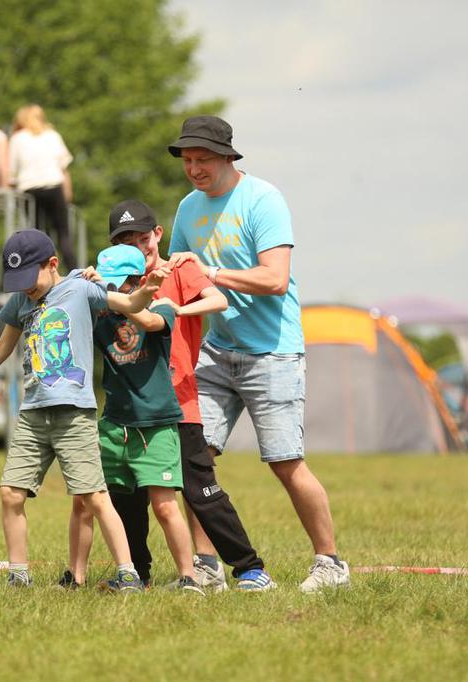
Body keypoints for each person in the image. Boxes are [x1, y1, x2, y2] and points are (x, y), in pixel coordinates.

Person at [166, 115, 349, 593]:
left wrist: (212, 272)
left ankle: (330, 564)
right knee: (194, 459)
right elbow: (180, 276)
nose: (194, 169)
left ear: (228, 156)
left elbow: (275, 279)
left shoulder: (264, 199)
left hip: (273, 353)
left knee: (285, 462)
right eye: (187, 160)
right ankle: (207, 567)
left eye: (203, 159)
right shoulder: (187, 208)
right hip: (215, 351)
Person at [0, 229, 165, 590]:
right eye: (18, 281)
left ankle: (128, 573)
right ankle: (18, 576)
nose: (26, 288)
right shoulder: (21, 302)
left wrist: (148, 291)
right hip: (33, 413)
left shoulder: (81, 288)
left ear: (52, 264)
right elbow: (1, 346)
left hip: (73, 412)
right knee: (11, 492)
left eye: (30, 278)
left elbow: (131, 305)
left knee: (94, 496)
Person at [60, 245, 202, 593]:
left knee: (165, 507)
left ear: (138, 280)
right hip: (113, 425)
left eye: (120, 283)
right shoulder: (101, 314)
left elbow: (149, 321)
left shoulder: (162, 306)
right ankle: (75, 578)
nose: (113, 290)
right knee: (85, 501)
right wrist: (83, 280)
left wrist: (125, 296)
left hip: (156, 424)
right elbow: (60, 294)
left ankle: (190, 578)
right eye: (109, 283)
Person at [9, 105, 76, 269]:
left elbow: (11, 172)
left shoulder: (17, 138)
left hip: (29, 190)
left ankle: (43, 273)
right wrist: (67, 194)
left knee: (38, 235)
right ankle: (74, 271)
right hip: (54, 187)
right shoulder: (53, 136)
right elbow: (64, 168)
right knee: (63, 234)